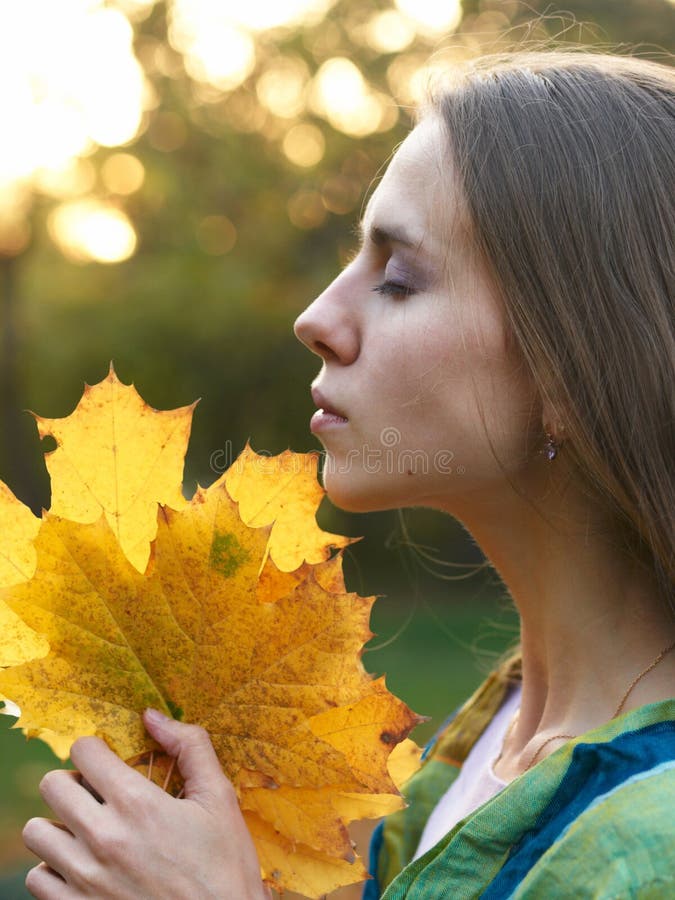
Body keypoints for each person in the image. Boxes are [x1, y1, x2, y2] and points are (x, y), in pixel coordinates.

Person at [21, 49, 674, 899]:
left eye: (397, 280)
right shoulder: (495, 735)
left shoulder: (647, 847)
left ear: (571, 370)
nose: (316, 318)